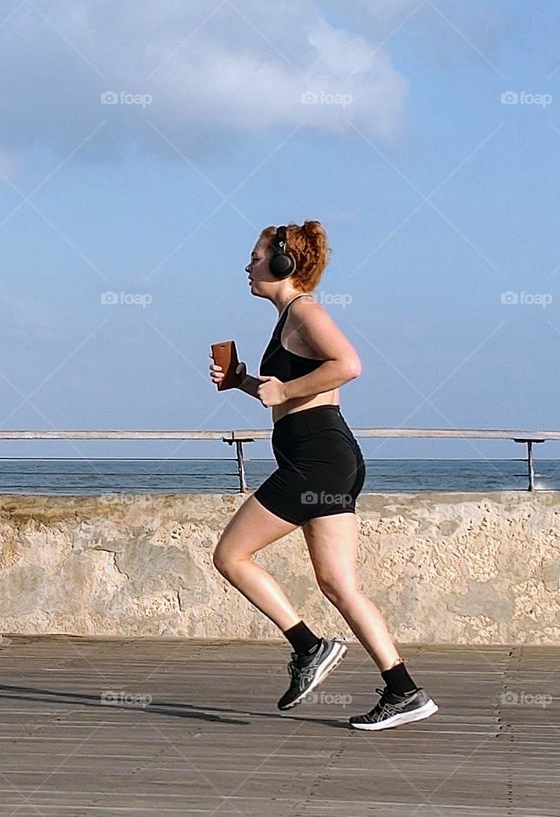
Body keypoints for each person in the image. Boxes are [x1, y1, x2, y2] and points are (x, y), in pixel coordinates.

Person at [208, 220, 438, 731]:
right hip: (328, 457)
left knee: (231, 555)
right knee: (338, 583)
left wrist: (284, 392)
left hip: (317, 460)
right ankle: (405, 691)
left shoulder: (305, 311)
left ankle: (308, 647)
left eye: (255, 255)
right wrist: (244, 381)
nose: (247, 265)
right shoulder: (288, 318)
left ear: (283, 264)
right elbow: (290, 390)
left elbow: (349, 365)